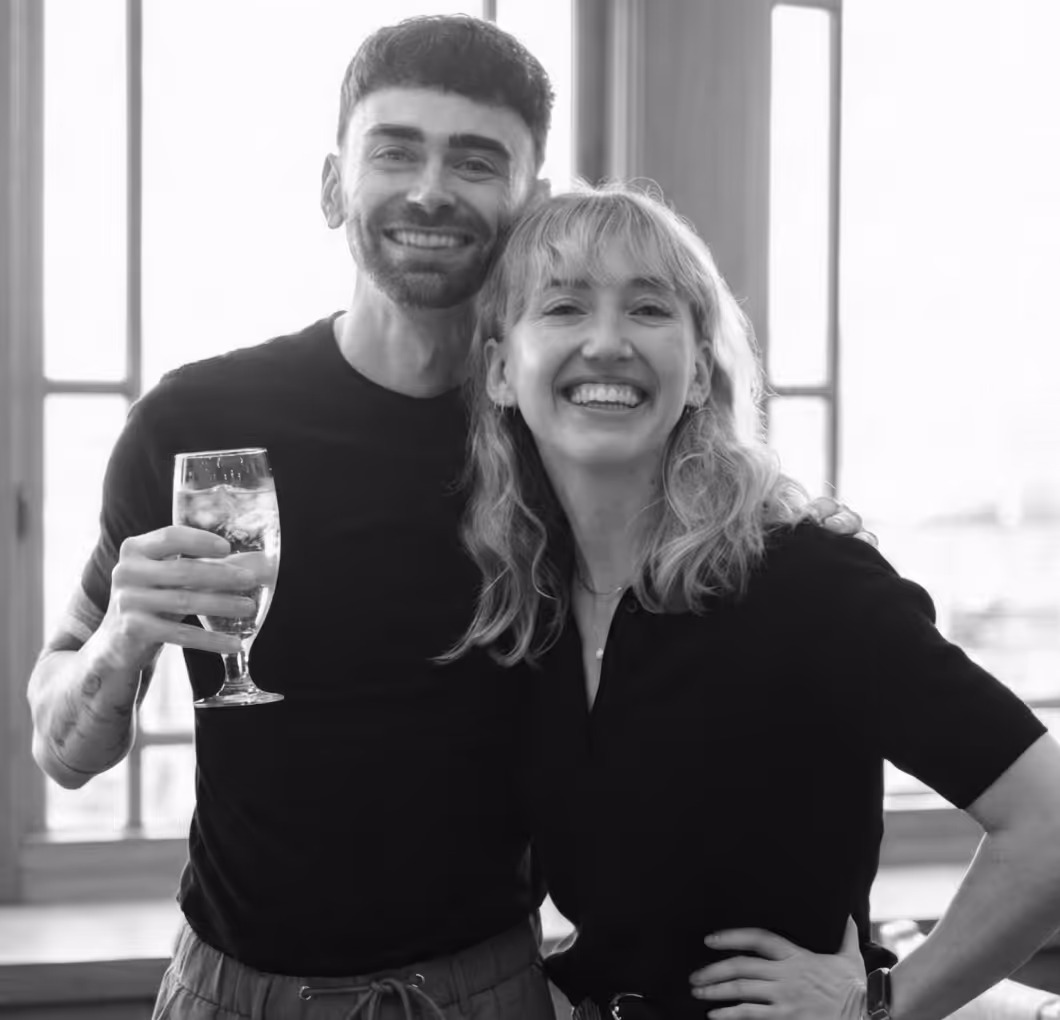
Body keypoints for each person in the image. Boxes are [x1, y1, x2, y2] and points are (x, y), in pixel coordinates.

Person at [24, 16, 866, 1020]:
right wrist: (120, 639)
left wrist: (851, 959)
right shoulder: (195, 423)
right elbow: (62, 752)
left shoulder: (561, 440)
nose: (430, 189)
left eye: (475, 160)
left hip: (489, 993)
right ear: (335, 185)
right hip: (226, 993)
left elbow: (729, 657)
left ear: (529, 205)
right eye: (395, 151)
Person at [450, 183, 1060, 1020]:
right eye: (563, 307)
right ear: (499, 373)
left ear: (699, 371)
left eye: (650, 309)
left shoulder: (808, 582)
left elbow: (1049, 824)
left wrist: (882, 1008)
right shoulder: (526, 604)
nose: (606, 342)